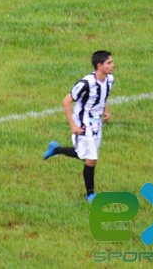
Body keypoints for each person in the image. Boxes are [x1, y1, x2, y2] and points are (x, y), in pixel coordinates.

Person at [43, 51, 115, 202]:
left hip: (96, 124)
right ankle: (90, 194)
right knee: (91, 158)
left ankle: (56, 149)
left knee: (85, 156)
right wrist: (73, 126)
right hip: (83, 123)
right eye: (109, 63)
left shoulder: (109, 80)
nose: (112, 65)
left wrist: (105, 110)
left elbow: (104, 97)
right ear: (99, 65)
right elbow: (66, 101)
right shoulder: (86, 83)